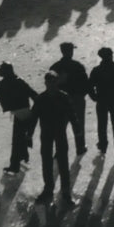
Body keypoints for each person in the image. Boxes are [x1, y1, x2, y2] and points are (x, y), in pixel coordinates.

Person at [0, 62, 39, 175]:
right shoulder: (20, 81)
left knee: (16, 140)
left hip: (18, 114)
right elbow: (34, 95)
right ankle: (24, 156)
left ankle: (14, 166)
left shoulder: (2, 84)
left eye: (1, 69)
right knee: (21, 137)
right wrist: (35, 111)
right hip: (26, 112)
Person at [33, 71, 73, 206]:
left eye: (53, 82)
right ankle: (48, 189)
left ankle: (65, 191)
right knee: (46, 162)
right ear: (45, 83)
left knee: (63, 162)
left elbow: (72, 114)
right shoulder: (40, 98)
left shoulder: (64, 97)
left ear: (57, 82)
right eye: (49, 82)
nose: (51, 84)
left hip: (60, 132)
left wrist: (77, 129)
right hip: (46, 133)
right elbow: (33, 118)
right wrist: (28, 134)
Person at [50, 42, 89, 155]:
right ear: (71, 52)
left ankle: (59, 150)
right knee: (79, 123)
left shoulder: (55, 67)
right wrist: (81, 95)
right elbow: (86, 84)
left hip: (60, 100)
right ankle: (80, 147)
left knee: (60, 126)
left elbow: (50, 85)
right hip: (77, 99)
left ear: (62, 52)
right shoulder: (78, 66)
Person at [88, 47, 114, 155]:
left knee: (102, 125)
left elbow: (90, 86)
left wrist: (95, 97)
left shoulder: (96, 70)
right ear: (110, 55)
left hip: (101, 101)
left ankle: (103, 145)